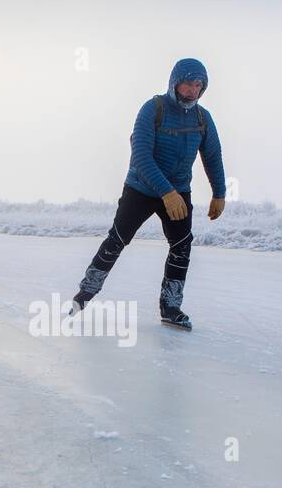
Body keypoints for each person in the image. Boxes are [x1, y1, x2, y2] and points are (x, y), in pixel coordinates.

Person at [69, 57, 226, 330]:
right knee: (117, 240)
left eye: (198, 85)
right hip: (142, 188)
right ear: (175, 83)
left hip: (178, 192)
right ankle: (85, 294)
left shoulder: (203, 118)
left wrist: (219, 193)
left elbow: (212, 155)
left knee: (181, 245)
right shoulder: (153, 109)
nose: (193, 91)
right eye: (188, 84)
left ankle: (171, 306)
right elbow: (141, 157)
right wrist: (166, 192)